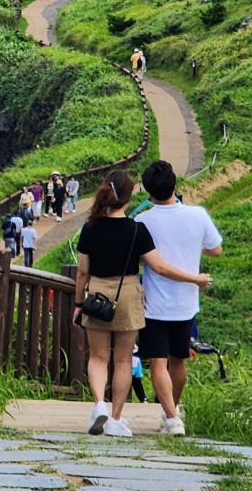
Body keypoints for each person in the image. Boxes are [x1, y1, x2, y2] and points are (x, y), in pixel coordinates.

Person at [74, 169, 211, 437]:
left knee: (98, 357)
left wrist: (79, 303)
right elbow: (157, 266)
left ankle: (100, 403)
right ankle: (115, 419)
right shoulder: (137, 228)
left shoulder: (89, 227)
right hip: (127, 294)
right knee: (124, 360)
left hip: (98, 293)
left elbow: (81, 271)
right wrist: (195, 278)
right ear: (128, 198)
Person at [136, 160, 223, 437]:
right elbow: (216, 249)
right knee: (178, 361)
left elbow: (141, 260)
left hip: (154, 303)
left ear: (148, 193)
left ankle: (172, 418)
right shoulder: (198, 215)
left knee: (158, 362)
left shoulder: (142, 220)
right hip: (187, 303)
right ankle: (171, 412)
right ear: (176, 186)